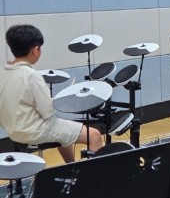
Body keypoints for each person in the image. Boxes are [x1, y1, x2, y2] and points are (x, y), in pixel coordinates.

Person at [0, 24, 102, 163]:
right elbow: (48, 111)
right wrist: (56, 101)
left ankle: (71, 167)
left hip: (12, 130)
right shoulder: (31, 75)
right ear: (36, 50)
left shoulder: (3, 71)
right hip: (34, 130)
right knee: (94, 135)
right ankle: (90, 175)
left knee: (65, 129)